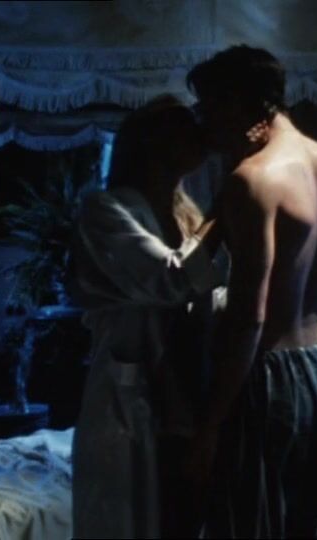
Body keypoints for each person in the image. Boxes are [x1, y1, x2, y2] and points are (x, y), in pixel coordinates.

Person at [186, 45, 317, 538]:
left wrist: (210, 426)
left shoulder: (252, 180)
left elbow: (250, 316)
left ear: (237, 103)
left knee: (250, 523)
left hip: (262, 377)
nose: (205, 123)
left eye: (208, 107)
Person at [69, 94, 225, 539]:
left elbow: (208, 297)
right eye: (184, 128)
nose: (198, 136)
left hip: (188, 401)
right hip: (130, 406)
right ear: (153, 144)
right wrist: (223, 215)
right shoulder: (105, 211)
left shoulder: (187, 213)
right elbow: (170, 281)